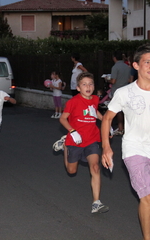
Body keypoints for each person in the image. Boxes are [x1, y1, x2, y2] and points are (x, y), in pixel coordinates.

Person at [101, 44, 150, 240]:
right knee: (148, 197)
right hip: (133, 147)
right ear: (136, 65)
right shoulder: (124, 92)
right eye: (147, 62)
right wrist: (106, 148)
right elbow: (107, 118)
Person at [59, 72, 109, 214]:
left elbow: (94, 112)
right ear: (78, 88)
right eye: (84, 84)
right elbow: (63, 119)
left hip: (92, 139)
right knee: (71, 170)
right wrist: (72, 131)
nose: (88, 86)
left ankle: (96, 202)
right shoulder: (73, 102)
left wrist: (105, 121)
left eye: (91, 84)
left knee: (95, 167)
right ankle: (65, 146)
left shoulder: (94, 99)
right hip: (75, 140)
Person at [105, 51, 131, 135]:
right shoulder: (127, 67)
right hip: (126, 89)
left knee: (118, 110)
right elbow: (130, 79)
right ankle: (126, 127)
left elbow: (113, 80)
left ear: (114, 58)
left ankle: (120, 128)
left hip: (117, 90)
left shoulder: (115, 67)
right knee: (126, 110)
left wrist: (107, 79)